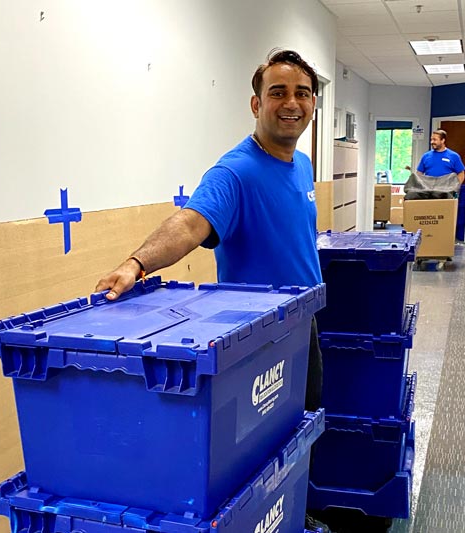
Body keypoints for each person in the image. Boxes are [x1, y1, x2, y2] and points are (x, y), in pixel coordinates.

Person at [95, 49, 330, 532]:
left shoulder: (301, 164)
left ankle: (292, 515)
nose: (292, 103)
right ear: (255, 104)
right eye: (278, 93)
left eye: (302, 93)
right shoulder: (235, 171)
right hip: (258, 342)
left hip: (302, 324)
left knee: (299, 433)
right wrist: (136, 262)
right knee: (255, 454)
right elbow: (191, 222)